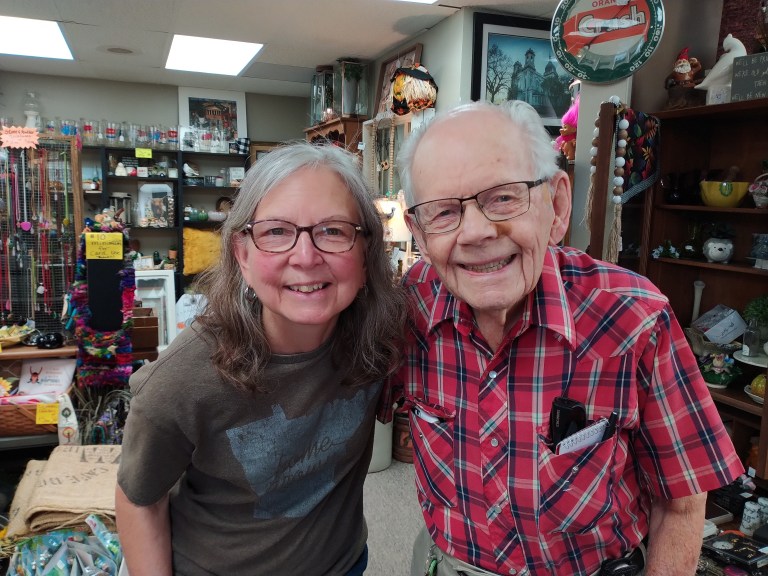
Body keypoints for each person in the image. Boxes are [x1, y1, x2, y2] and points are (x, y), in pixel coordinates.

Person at [381, 100, 744, 576]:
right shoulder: (406, 310)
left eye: (503, 198)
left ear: (556, 206)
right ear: (419, 234)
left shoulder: (633, 317)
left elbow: (681, 502)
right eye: (444, 212)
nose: (476, 232)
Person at [116, 141, 406, 575]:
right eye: (276, 232)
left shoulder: (382, 336)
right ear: (243, 256)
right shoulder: (183, 379)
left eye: (333, 231)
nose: (305, 257)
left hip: (343, 563)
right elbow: (140, 499)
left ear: (366, 253)